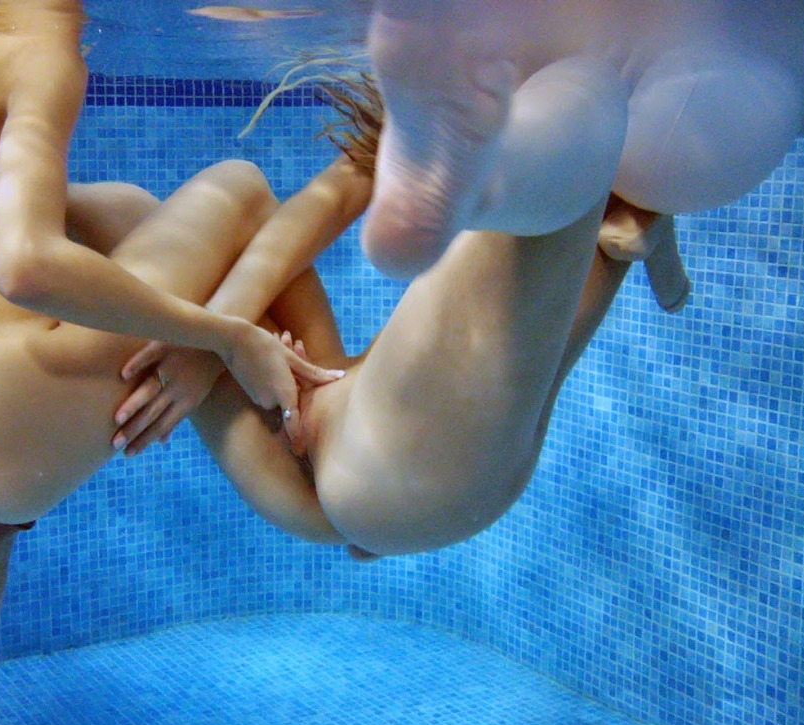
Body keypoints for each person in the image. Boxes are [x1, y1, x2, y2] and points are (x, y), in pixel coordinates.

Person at [0, 1, 344, 725]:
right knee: (241, 187)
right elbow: (27, 265)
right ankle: (330, 439)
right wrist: (225, 336)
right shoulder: (37, 39)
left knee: (131, 213)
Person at [112, 76, 672, 560]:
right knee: (578, 120)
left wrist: (219, 336)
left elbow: (291, 205)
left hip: (380, 464)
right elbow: (313, 203)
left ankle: (625, 213)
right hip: (386, 463)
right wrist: (218, 336)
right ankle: (627, 214)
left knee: (571, 125)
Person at [360, 0, 804, 286]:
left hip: (568, 33)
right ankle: (480, 182)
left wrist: (668, 272)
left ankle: (486, 181)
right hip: (745, 55)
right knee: (659, 157)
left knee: (580, 93)